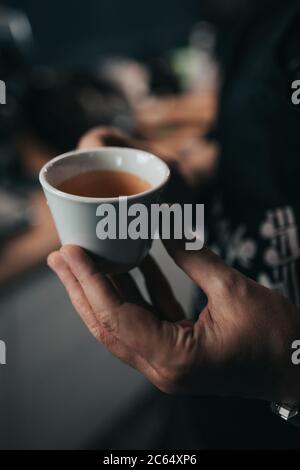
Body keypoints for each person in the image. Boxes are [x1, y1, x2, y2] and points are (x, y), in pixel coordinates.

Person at [48, 0, 300, 448]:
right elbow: (238, 149)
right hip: (204, 396)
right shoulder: (252, 24)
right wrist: (164, 172)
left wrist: (284, 366)